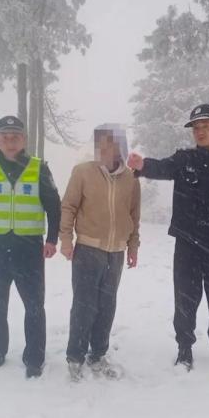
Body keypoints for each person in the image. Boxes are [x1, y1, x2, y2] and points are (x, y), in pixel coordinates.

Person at [127, 104, 209, 371]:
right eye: (196, 128)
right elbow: (161, 168)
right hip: (187, 244)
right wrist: (142, 166)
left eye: (205, 126)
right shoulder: (184, 160)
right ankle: (184, 348)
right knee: (185, 298)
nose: (200, 132)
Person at [0, 115, 61, 378]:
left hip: (29, 248)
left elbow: (54, 204)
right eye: (4, 138)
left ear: (23, 140)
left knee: (34, 306)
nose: (10, 143)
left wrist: (52, 238)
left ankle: (34, 358)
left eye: (15, 137)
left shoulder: (39, 168)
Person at [60, 124, 141, 380]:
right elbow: (69, 207)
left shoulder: (131, 178)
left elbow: (133, 215)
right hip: (87, 249)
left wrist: (133, 246)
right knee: (84, 306)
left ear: (120, 146)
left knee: (107, 305)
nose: (105, 148)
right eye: (100, 144)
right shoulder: (83, 172)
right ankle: (75, 356)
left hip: (116, 252)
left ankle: (98, 354)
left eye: (111, 143)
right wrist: (66, 239)